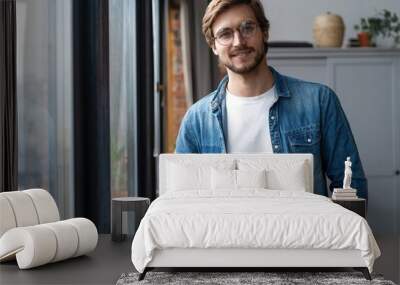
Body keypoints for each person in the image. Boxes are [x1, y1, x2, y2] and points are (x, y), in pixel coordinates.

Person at [175, 0, 367, 199]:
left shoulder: (319, 101)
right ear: (213, 46)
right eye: (225, 34)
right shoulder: (196, 120)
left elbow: (352, 188)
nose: (238, 41)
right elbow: (181, 198)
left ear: (264, 33)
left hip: (302, 230)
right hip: (226, 230)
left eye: (247, 28)